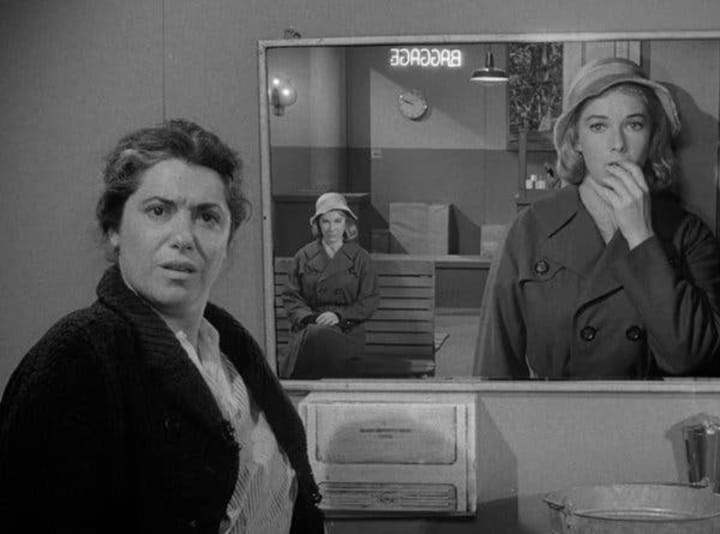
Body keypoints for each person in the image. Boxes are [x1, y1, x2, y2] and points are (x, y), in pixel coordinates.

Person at [0, 119, 324, 533]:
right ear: (114, 229)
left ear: (227, 240)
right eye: (159, 210)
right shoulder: (78, 357)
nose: (183, 236)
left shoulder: (233, 355)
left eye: (207, 217)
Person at [475, 57, 720, 379]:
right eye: (598, 126)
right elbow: (496, 364)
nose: (617, 144)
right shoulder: (531, 227)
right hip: (557, 409)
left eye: (634, 125)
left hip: (651, 410)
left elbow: (692, 357)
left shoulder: (688, 233)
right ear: (576, 139)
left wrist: (641, 236)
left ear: (652, 137)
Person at [280, 192, 380, 379]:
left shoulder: (361, 258)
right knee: (314, 337)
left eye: (337, 221)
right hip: (310, 327)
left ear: (346, 223)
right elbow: (291, 296)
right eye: (325, 221)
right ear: (317, 224)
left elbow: (369, 300)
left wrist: (338, 315)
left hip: (347, 329)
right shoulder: (303, 256)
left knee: (321, 340)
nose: (332, 228)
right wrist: (310, 317)